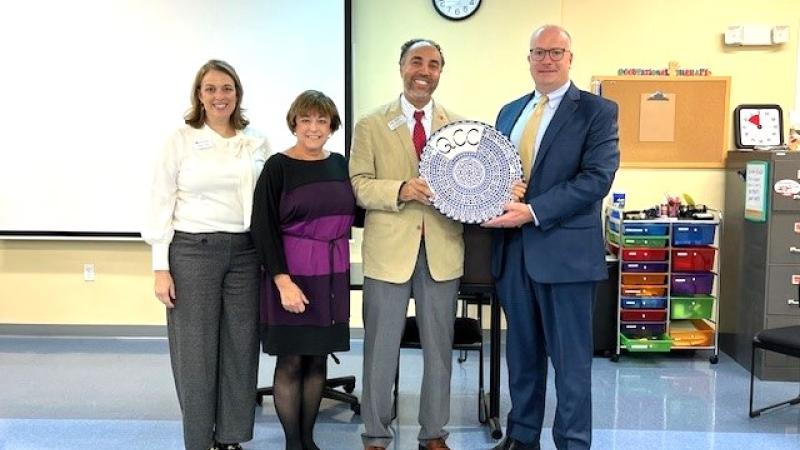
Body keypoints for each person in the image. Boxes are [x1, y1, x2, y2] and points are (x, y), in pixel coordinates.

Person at [483, 25, 620, 450]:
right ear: (528, 58)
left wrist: (533, 211)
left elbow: (597, 178)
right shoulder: (509, 112)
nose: (547, 59)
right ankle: (522, 436)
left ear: (570, 58)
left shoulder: (597, 111)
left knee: (571, 363)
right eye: (539, 52)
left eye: (556, 52)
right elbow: (497, 171)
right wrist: (494, 195)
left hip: (566, 256)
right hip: (513, 254)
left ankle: (573, 442)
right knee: (521, 356)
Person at [143, 59, 270, 450]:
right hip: (192, 252)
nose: (220, 96)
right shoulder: (179, 139)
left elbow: (266, 200)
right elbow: (160, 201)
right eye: (211, 89)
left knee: (241, 346)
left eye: (227, 88)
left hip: (246, 253)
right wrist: (160, 267)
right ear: (199, 95)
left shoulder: (256, 140)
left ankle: (231, 437)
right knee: (195, 352)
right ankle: (199, 441)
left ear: (238, 93)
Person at [349, 38, 464, 450]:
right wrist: (400, 189)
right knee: (381, 351)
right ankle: (375, 435)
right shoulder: (370, 124)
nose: (424, 70)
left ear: (439, 73)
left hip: (441, 253)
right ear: (401, 66)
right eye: (417, 61)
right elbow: (359, 185)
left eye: (433, 64)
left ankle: (434, 434)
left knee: (439, 351)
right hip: (388, 254)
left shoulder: (460, 128)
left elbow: (471, 190)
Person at [251, 90, 354, 450]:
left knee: (317, 358)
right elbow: (262, 227)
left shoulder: (340, 164)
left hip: (332, 275)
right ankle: (292, 443)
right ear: (294, 123)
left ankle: (308, 441)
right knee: (292, 359)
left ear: (331, 126)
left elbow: (358, 214)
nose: (313, 128)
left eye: (321, 120)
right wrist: (282, 282)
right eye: (306, 120)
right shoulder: (278, 167)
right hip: (291, 276)